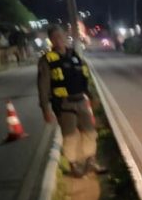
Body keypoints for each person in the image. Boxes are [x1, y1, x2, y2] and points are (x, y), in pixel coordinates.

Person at [38, 25, 106, 177]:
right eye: (55, 37)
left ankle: (91, 161)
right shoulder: (46, 60)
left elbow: (84, 77)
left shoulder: (74, 55)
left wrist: (92, 96)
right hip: (63, 104)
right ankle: (73, 164)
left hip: (81, 100)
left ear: (65, 36)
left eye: (60, 36)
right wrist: (45, 109)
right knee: (70, 136)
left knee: (90, 132)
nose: (59, 39)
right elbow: (43, 86)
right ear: (51, 40)